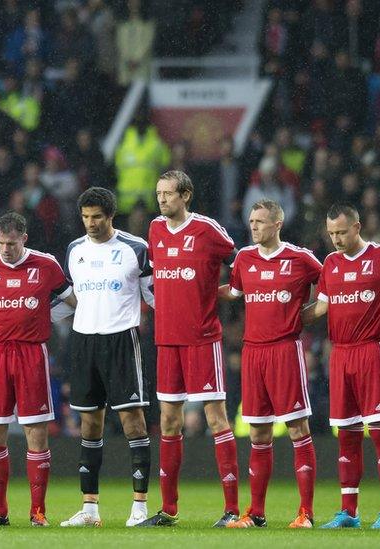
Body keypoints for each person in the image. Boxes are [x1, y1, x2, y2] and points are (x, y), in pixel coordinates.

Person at [139, 170, 240, 528]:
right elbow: (153, 277)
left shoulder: (208, 230)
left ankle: (231, 510)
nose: (162, 199)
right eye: (158, 193)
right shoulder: (155, 229)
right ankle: (169, 510)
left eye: (168, 193)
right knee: (168, 420)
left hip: (202, 338)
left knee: (216, 419)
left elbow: (241, 262)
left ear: (186, 196)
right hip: (167, 339)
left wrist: (232, 290)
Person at [0, 212, 72, 527]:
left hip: (31, 354)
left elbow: (73, 298)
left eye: (11, 243)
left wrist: (47, 317)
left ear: (24, 238)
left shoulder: (46, 265)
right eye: (0, 243)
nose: (5, 249)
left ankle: (38, 511)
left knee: (35, 431)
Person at [306, 204, 380, 529]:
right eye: (331, 233)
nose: (336, 239)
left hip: (372, 351)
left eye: (341, 232)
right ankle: (348, 512)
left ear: (357, 227)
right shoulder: (331, 263)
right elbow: (322, 307)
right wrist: (280, 318)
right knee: (347, 434)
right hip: (340, 354)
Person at [217, 199, 321, 529]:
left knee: (297, 428)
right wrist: (194, 288)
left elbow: (333, 284)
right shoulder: (244, 259)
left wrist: (305, 316)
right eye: (251, 221)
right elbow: (233, 293)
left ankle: (306, 513)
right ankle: (256, 513)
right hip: (253, 353)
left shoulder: (300, 258)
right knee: (259, 432)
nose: (254, 226)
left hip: (285, 351)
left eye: (260, 221)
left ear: (278, 224)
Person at [58, 187, 154, 527]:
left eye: (96, 217)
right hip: (84, 342)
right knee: (89, 424)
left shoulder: (135, 249)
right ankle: (90, 509)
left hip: (121, 341)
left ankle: (139, 507)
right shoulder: (74, 250)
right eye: (85, 217)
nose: (90, 223)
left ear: (110, 216)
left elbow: (155, 297)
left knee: (133, 423)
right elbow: (66, 296)